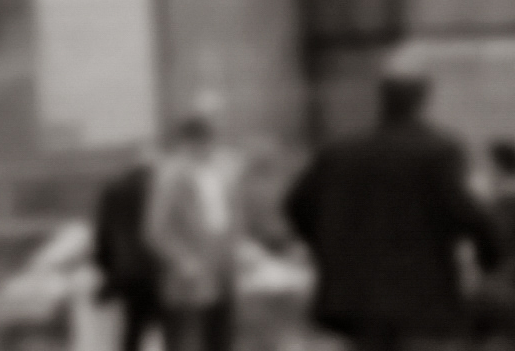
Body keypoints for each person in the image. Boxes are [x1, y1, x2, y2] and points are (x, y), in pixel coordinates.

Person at [285, 66, 504, 351]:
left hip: (355, 298)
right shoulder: (437, 152)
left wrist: (328, 248)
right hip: (422, 298)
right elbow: (468, 214)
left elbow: (298, 204)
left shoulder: (340, 152)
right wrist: (491, 258)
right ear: (422, 100)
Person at [144, 102, 244, 351]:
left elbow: (227, 218)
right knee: (188, 340)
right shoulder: (172, 175)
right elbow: (156, 230)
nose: (208, 147)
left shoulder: (218, 172)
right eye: (203, 141)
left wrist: (237, 249)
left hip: (222, 268)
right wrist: (183, 260)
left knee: (221, 337)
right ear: (188, 142)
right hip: (191, 275)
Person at [94, 153, 165, 351]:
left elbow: (103, 237)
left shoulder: (114, 191)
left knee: (133, 331)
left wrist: (107, 273)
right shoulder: (161, 189)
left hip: (129, 273)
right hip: (160, 272)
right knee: (173, 332)